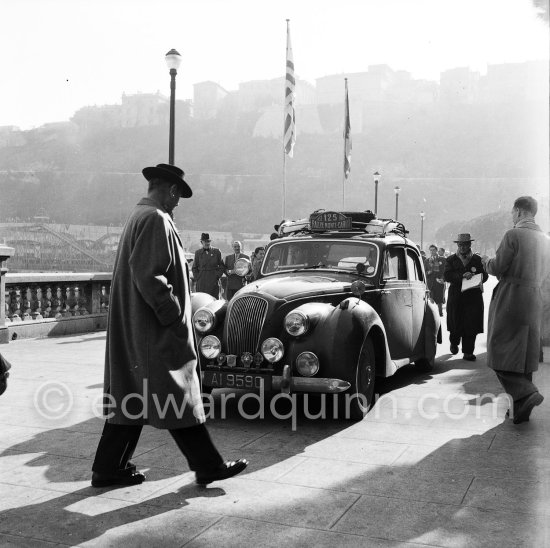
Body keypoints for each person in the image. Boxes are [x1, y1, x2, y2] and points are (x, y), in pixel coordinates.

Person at [91, 163, 247, 488]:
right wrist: (174, 317)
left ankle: (109, 468)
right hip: (155, 332)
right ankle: (208, 466)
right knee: (177, 393)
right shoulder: (155, 219)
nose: (177, 203)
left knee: (135, 398)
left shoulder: (140, 214)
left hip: (140, 328)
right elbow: (150, 275)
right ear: (171, 190)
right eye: (178, 196)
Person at [482, 196, 550, 424]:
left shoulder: (513, 235)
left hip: (511, 295)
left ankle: (526, 393)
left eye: (512, 212)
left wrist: (486, 262)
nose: (512, 216)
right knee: (526, 352)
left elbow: (498, 266)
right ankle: (520, 410)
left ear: (519, 211)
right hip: (535, 298)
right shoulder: (545, 239)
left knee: (498, 348)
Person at [444, 233, 488, 361]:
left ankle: (468, 352)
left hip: (473, 297)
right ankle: (454, 342)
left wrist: (474, 277)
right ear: (457, 245)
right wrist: (462, 276)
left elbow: (485, 276)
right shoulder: (451, 259)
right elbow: (447, 275)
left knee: (471, 324)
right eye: (460, 245)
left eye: (465, 244)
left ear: (470, 245)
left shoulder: (477, 260)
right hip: (456, 296)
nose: (462, 247)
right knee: (455, 322)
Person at [192, 233, 225, 298]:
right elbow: (194, 268)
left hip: (213, 280)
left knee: (214, 299)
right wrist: (198, 278)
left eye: (208, 241)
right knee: (201, 299)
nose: (207, 243)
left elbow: (222, 266)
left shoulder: (216, 251)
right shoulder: (198, 253)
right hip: (201, 281)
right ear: (201, 242)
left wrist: (217, 276)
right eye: (205, 241)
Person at [426, 244, 446, 316]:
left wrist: (442, 279)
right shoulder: (427, 260)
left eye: (433, 250)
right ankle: (431, 314)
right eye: (430, 250)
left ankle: (440, 313)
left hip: (439, 282)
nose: (432, 251)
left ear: (436, 250)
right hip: (430, 283)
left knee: (439, 299)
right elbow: (424, 272)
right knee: (430, 298)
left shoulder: (443, 260)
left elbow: (445, 271)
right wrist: (428, 272)